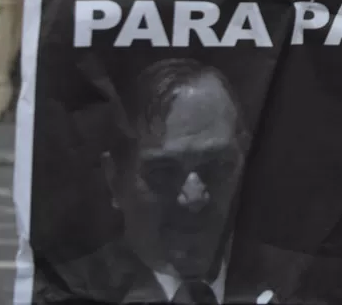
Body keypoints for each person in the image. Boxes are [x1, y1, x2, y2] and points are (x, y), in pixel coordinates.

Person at [37, 57, 274, 305]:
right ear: (115, 178)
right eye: (164, 172)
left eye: (217, 166)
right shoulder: (68, 290)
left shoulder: (299, 281)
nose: (193, 197)